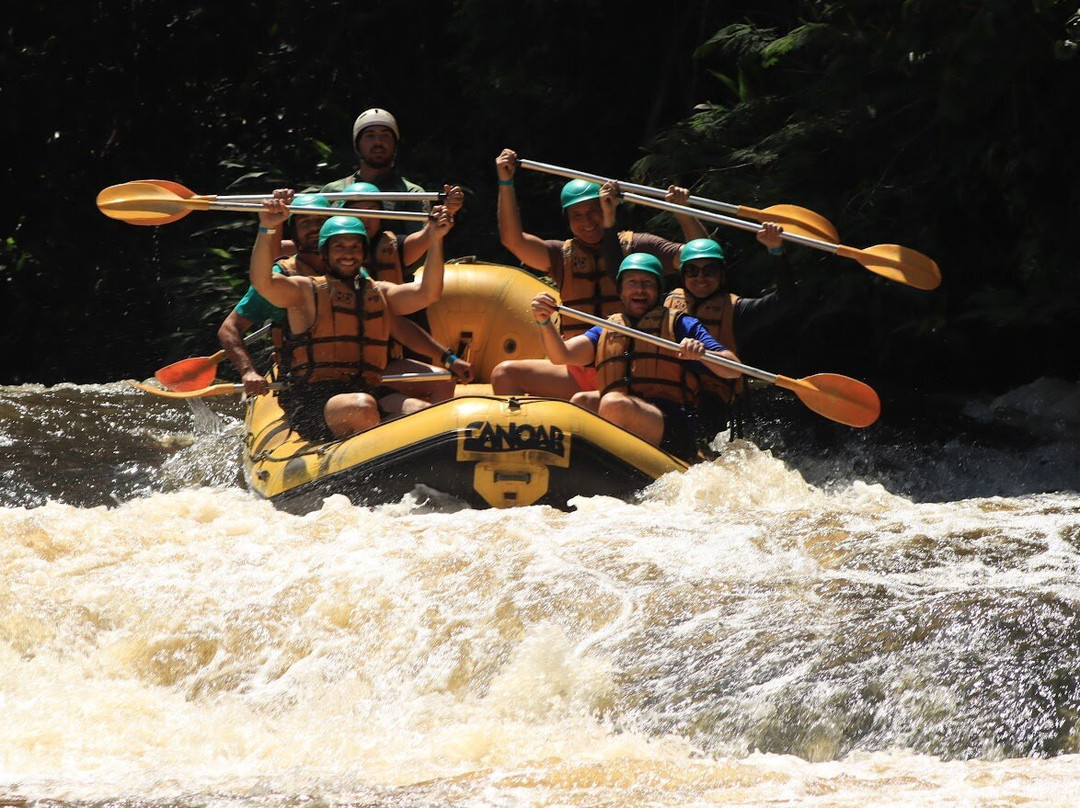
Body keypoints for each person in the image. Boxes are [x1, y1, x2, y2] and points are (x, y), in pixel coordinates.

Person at [490, 147, 707, 399]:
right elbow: (512, 240)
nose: (587, 221)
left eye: (593, 211)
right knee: (503, 374)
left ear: (606, 207)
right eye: (577, 215)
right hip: (578, 362)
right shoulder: (560, 255)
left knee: (586, 400)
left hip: (630, 364)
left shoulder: (637, 247)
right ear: (568, 220)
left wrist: (683, 210)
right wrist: (506, 181)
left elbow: (701, 256)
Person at [249, 194, 453, 441]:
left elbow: (428, 293)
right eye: (339, 247)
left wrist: (435, 239)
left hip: (364, 389)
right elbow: (262, 282)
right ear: (325, 254)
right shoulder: (305, 291)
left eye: (355, 246)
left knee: (421, 412)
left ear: (364, 253)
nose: (348, 253)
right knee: (361, 406)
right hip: (312, 402)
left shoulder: (377, 291)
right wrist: (266, 227)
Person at [529, 253, 741, 462]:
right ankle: (586, 466)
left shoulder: (680, 324)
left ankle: (609, 467)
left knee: (613, 403)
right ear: (621, 292)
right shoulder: (608, 328)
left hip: (673, 424)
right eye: (632, 282)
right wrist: (544, 322)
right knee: (581, 401)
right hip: (625, 409)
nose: (640, 289)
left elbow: (733, 368)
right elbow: (561, 355)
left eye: (647, 282)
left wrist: (702, 354)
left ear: (658, 291)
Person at [336, 181, 475, 399]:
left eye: (372, 211)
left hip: (382, 360)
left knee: (439, 381)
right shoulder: (316, 269)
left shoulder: (378, 274)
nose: (365, 218)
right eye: (358, 210)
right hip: (336, 369)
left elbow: (418, 301)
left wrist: (437, 230)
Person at [664, 225, 796, 438]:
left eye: (709, 271)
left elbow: (785, 301)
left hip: (711, 398)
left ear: (721, 274)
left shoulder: (738, 310)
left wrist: (776, 251)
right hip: (668, 387)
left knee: (704, 411)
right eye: (692, 270)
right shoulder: (667, 303)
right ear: (682, 274)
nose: (700, 277)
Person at [218, 192, 331, 395]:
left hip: (351, 375)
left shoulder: (351, 270)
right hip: (302, 383)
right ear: (294, 233)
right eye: (305, 222)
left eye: (321, 221)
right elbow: (229, 328)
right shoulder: (281, 277)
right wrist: (248, 371)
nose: (314, 227)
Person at [320, 108, 431, 237]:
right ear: (358, 145)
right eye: (370, 135)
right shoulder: (331, 191)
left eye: (385, 135)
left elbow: (422, 246)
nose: (378, 142)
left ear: (395, 144)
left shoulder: (412, 194)